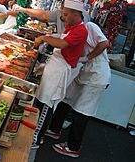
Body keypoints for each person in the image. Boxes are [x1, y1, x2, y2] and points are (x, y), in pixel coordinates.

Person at [28, 0, 88, 147]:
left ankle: (36, 137)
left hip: (60, 70)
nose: (63, 17)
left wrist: (44, 38)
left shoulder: (81, 30)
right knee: (41, 101)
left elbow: (62, 44)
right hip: (55, 66)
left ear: (76, 14)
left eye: (66, 14)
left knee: (46, 104)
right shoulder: (72, 25)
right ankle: (31, 133)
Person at [45, 22, 111, 158]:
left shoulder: (89, 26)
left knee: (82, 111)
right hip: (86, 72)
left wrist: (87, 58)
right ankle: (54, 128)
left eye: (67, 14)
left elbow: (105, 44)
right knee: (67, 97)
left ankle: (73, 147)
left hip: (97, 75)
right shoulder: (73, 30)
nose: (64, 17)